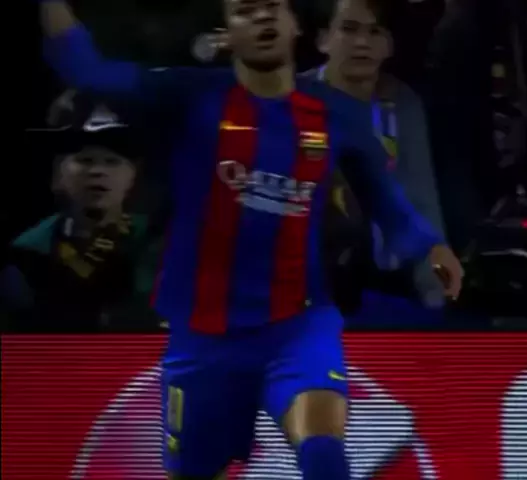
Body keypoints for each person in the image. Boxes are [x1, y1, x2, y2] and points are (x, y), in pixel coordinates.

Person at [38, 1, 463, 479]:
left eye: (272, 6)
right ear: (228, 34)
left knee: (323, 453)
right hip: (204, 336)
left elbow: (383, 197)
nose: (262, 17)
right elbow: (88, 72)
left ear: (293, 24)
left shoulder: (336, 111)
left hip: (298, 324)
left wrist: (429, 246)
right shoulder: (189, 94)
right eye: (246, 10)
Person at [313, 0, 461, 313]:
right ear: (323, 39)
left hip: (384, 281)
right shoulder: (291, 99)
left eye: (374, 31)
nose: (362, 42)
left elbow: (423, 204)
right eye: (349, 29)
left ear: (389, 45)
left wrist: (436, 301)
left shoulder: (403, 105)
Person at [1, 101, 163, 332]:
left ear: (133, 176)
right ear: (59, 174)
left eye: (112, 161)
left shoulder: (159, 241)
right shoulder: (28, 252)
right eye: (85, 160)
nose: (97, 171)